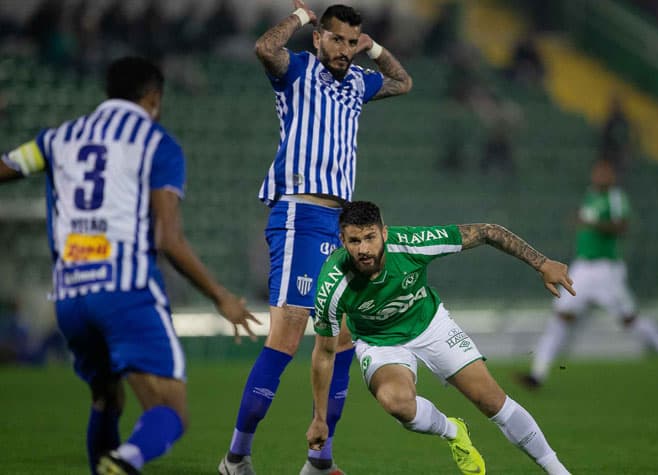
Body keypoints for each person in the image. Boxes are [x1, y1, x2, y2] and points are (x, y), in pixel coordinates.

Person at [0, 56, 258, 475]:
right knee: (172, 411)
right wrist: (221, 296)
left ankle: (107, 463)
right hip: (124, 291)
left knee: (107, 398)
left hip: (68, 295)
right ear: (154, 98)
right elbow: (168, 239)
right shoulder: (157, 143)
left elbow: (8, 165)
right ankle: (126, 460)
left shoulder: (57, 139)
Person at [218, 2, 412, 475]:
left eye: (352, 41)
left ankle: (319, 461)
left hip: (341, 226)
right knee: (286, 337)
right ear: (320, 38)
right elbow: (265, 46)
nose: (345, 49)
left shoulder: (360, 84)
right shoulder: (297, 69)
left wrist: (376, 49)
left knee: (343, 338)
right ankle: (236, 458)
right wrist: (303, 16)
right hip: (298, 214)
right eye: (338, 39)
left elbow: (404, 82)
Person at [307, 201, 575, 475]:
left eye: (370, 238)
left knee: (492, 401)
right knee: (396, 403)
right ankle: (452, 430)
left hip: (431, 327)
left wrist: (542, 263)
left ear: (384, 234)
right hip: (379, 342)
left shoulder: (412, 244)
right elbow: (325, 353)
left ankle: (558, 471)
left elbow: (487, 232)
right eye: (354, 240)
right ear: (342, 240)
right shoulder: (332, 284)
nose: (363, 249)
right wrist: (319, 418)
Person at [518, 160, 658, 389]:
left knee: (630, 320)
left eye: (605, 173)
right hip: (583, 268)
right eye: (597, 172)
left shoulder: (615, 198)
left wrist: (590, 222)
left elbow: (622, 227)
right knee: (560, 317)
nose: (599, 176)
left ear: (612, 176)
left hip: (607, 270)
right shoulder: (590, 195)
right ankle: (538, 375)